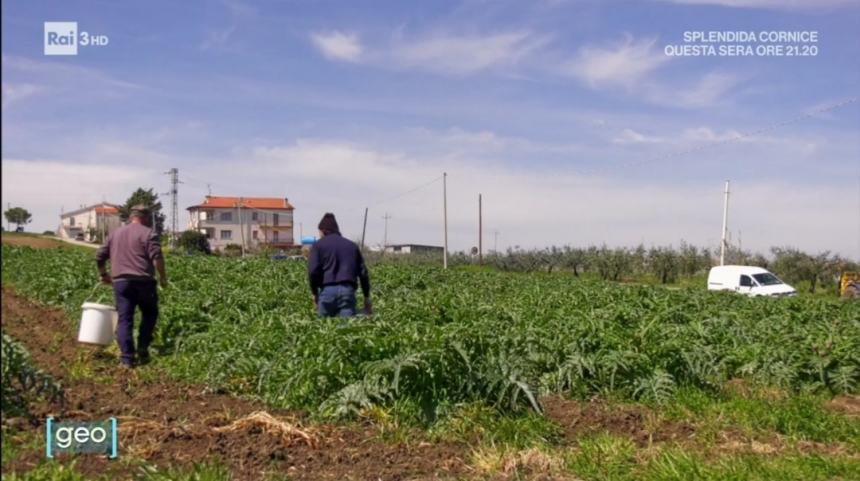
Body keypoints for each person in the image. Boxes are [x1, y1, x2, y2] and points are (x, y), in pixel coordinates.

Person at [95, 205, 168, 368]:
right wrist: (163, 278)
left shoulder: (115, 233)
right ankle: (142, 347)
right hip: (144, 282)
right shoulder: (149, 233)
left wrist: (103, 274)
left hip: (121, 282)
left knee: (125, 319)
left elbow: (99, 255)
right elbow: (157, 258)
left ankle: (127, 359)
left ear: (131, 217)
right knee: (150, 313)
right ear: (146, 218)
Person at [308, 213, 371, 317]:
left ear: (323, 230)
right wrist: (366, 297)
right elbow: (363, 273)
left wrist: (315, 293)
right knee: (346, 330)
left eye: (319, 232)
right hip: (347, 291)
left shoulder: (318, 246)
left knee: (323, 329)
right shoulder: (352, 246)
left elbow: (313, 271)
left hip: (327, 291)